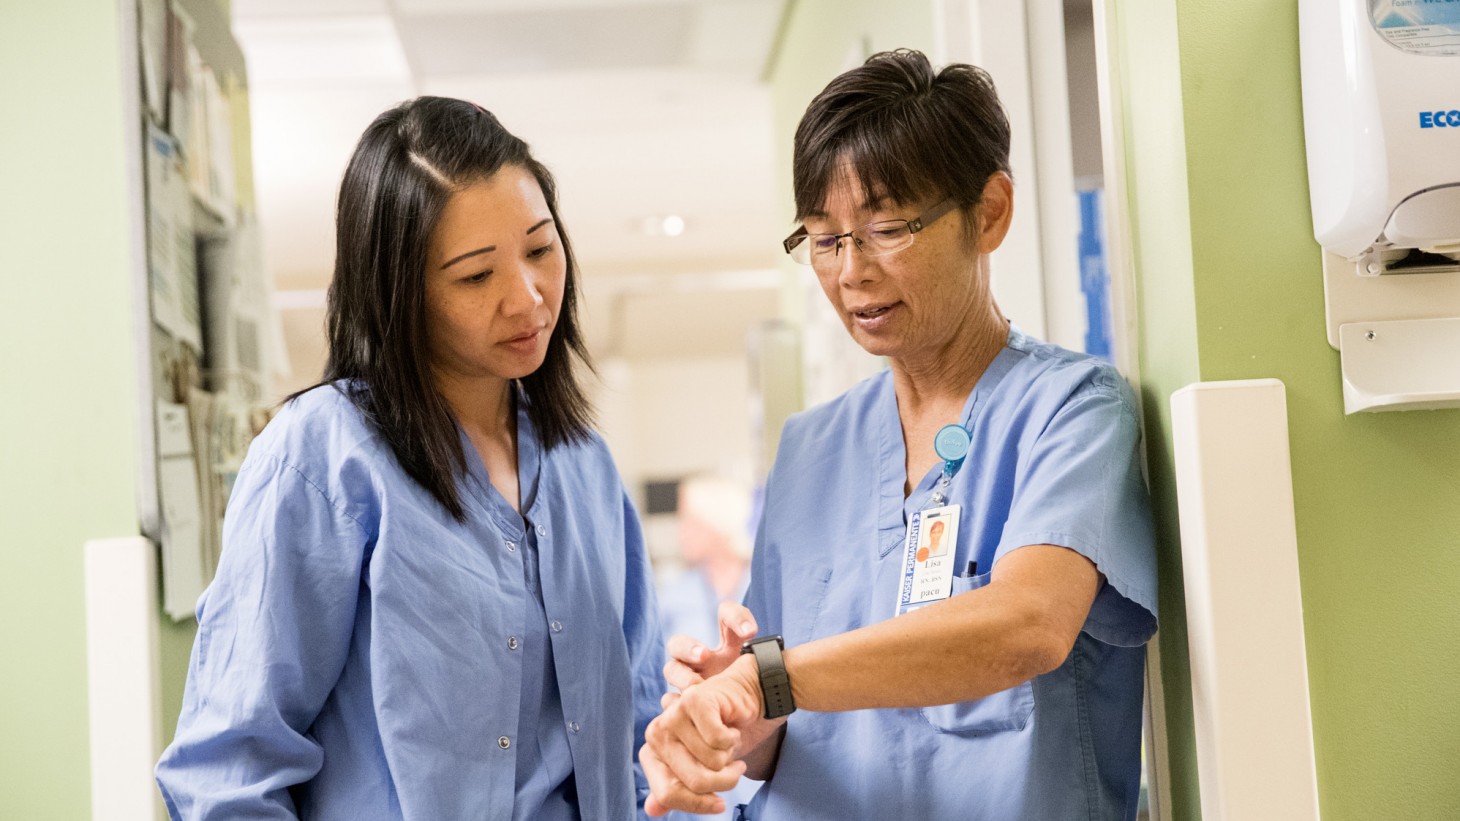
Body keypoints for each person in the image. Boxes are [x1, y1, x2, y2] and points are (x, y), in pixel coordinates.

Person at [641, 50, 1157, 820]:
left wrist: (768, 678)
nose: (852, 272)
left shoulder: (1070, 410)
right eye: (823, 238)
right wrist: (736, 719)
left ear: (990, 212)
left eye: (884, 228)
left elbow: (1028, 625)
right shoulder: (811, 449)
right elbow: (788, 733)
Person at [156, 96, 664, 820]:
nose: (526, 299)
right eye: (475, 276)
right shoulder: (323, 459)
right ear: (400, 293)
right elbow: (228, 768)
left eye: (541, 249)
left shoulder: (583, 462)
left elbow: (637, 725)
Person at [655, 475, 760, 821]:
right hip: (692, 744)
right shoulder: (672, 595)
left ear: (717, 525)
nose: (681, 531)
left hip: (755, 745)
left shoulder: (762, 583)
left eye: (690, 521)